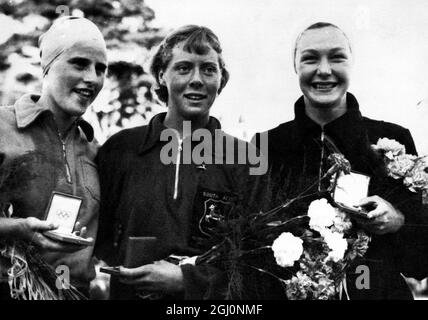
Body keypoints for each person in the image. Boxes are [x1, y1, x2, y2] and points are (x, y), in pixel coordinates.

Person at [254, 22, 428, 299]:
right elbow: (250, 252)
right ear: (295, 65)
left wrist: (397, 220)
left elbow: (420, 263)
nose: (324, 70)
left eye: (337, 57)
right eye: (310, 58)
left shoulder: (392, 139)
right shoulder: (266, 145)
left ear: (351, 63)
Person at [95, 25, 268, 300]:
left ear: (221, 79)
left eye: (209, 69)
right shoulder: (120, 150)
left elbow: (260, 261)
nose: (197, 79)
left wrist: (189, 280)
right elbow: (97, 239)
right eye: (184, 68)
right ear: (162, 75)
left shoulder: (247, 160)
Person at [0, 16, 107, 299]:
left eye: (101, 69)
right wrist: (18, 228)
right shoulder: (2, 127)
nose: (92, 78)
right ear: (47, 65)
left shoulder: (95, 149)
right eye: (80, 63)